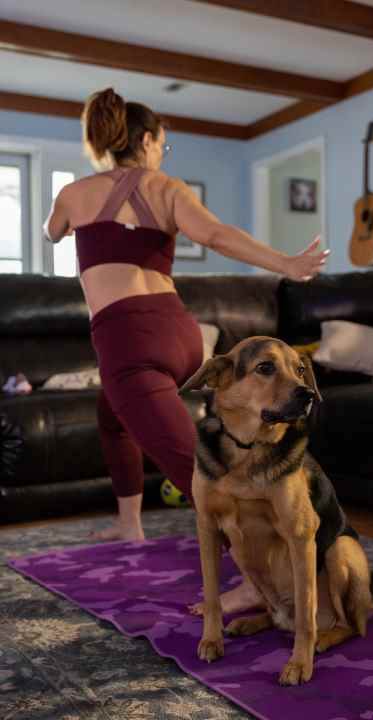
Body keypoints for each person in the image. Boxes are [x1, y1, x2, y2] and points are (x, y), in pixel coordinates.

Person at [43, 87, 330, 612]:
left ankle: (255, 581)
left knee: (199, 474)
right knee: (112, 415)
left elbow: (52, 232)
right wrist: (286, 263)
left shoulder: (75, 193)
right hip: (180, 333)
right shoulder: (167, 188)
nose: (161, 153)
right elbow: (217, 235)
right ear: (147, 140)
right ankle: (130, 523)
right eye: (162, 145)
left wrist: (69, 220)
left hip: (127, 340)